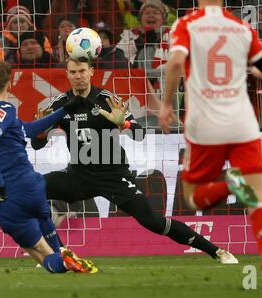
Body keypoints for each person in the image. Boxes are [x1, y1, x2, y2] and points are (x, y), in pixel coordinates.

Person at [31, 57, 238, 265]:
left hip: (114, 176)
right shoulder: (59, 105)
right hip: (78, 175)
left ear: (91, 72)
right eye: (73, 72)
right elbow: (37, 144)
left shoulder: (107, 99)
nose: (78, 76)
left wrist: (124, 124)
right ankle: (58, 254)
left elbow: (139, 134)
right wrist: (40, 133)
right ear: (67, 74)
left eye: (82, 71)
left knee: (154, 223)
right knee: (31, 190)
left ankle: (217, 251)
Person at [159, 0, 262, 292]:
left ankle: (230, 185)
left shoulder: (187, 24)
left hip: (205, 126)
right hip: (243, 123)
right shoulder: (243, 28)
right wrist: (257, 72)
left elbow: (175, 62)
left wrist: (166, 105)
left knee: (194, 198)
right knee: (257, 200)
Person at [0, 60, 97, 273]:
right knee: (48, 245)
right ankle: (63, 255)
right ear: (9, 83)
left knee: (36, 248)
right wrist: (66, 110)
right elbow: (28, 129)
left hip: (9, 192)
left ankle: (62, 260)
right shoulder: (5, 109)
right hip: (31, 186)